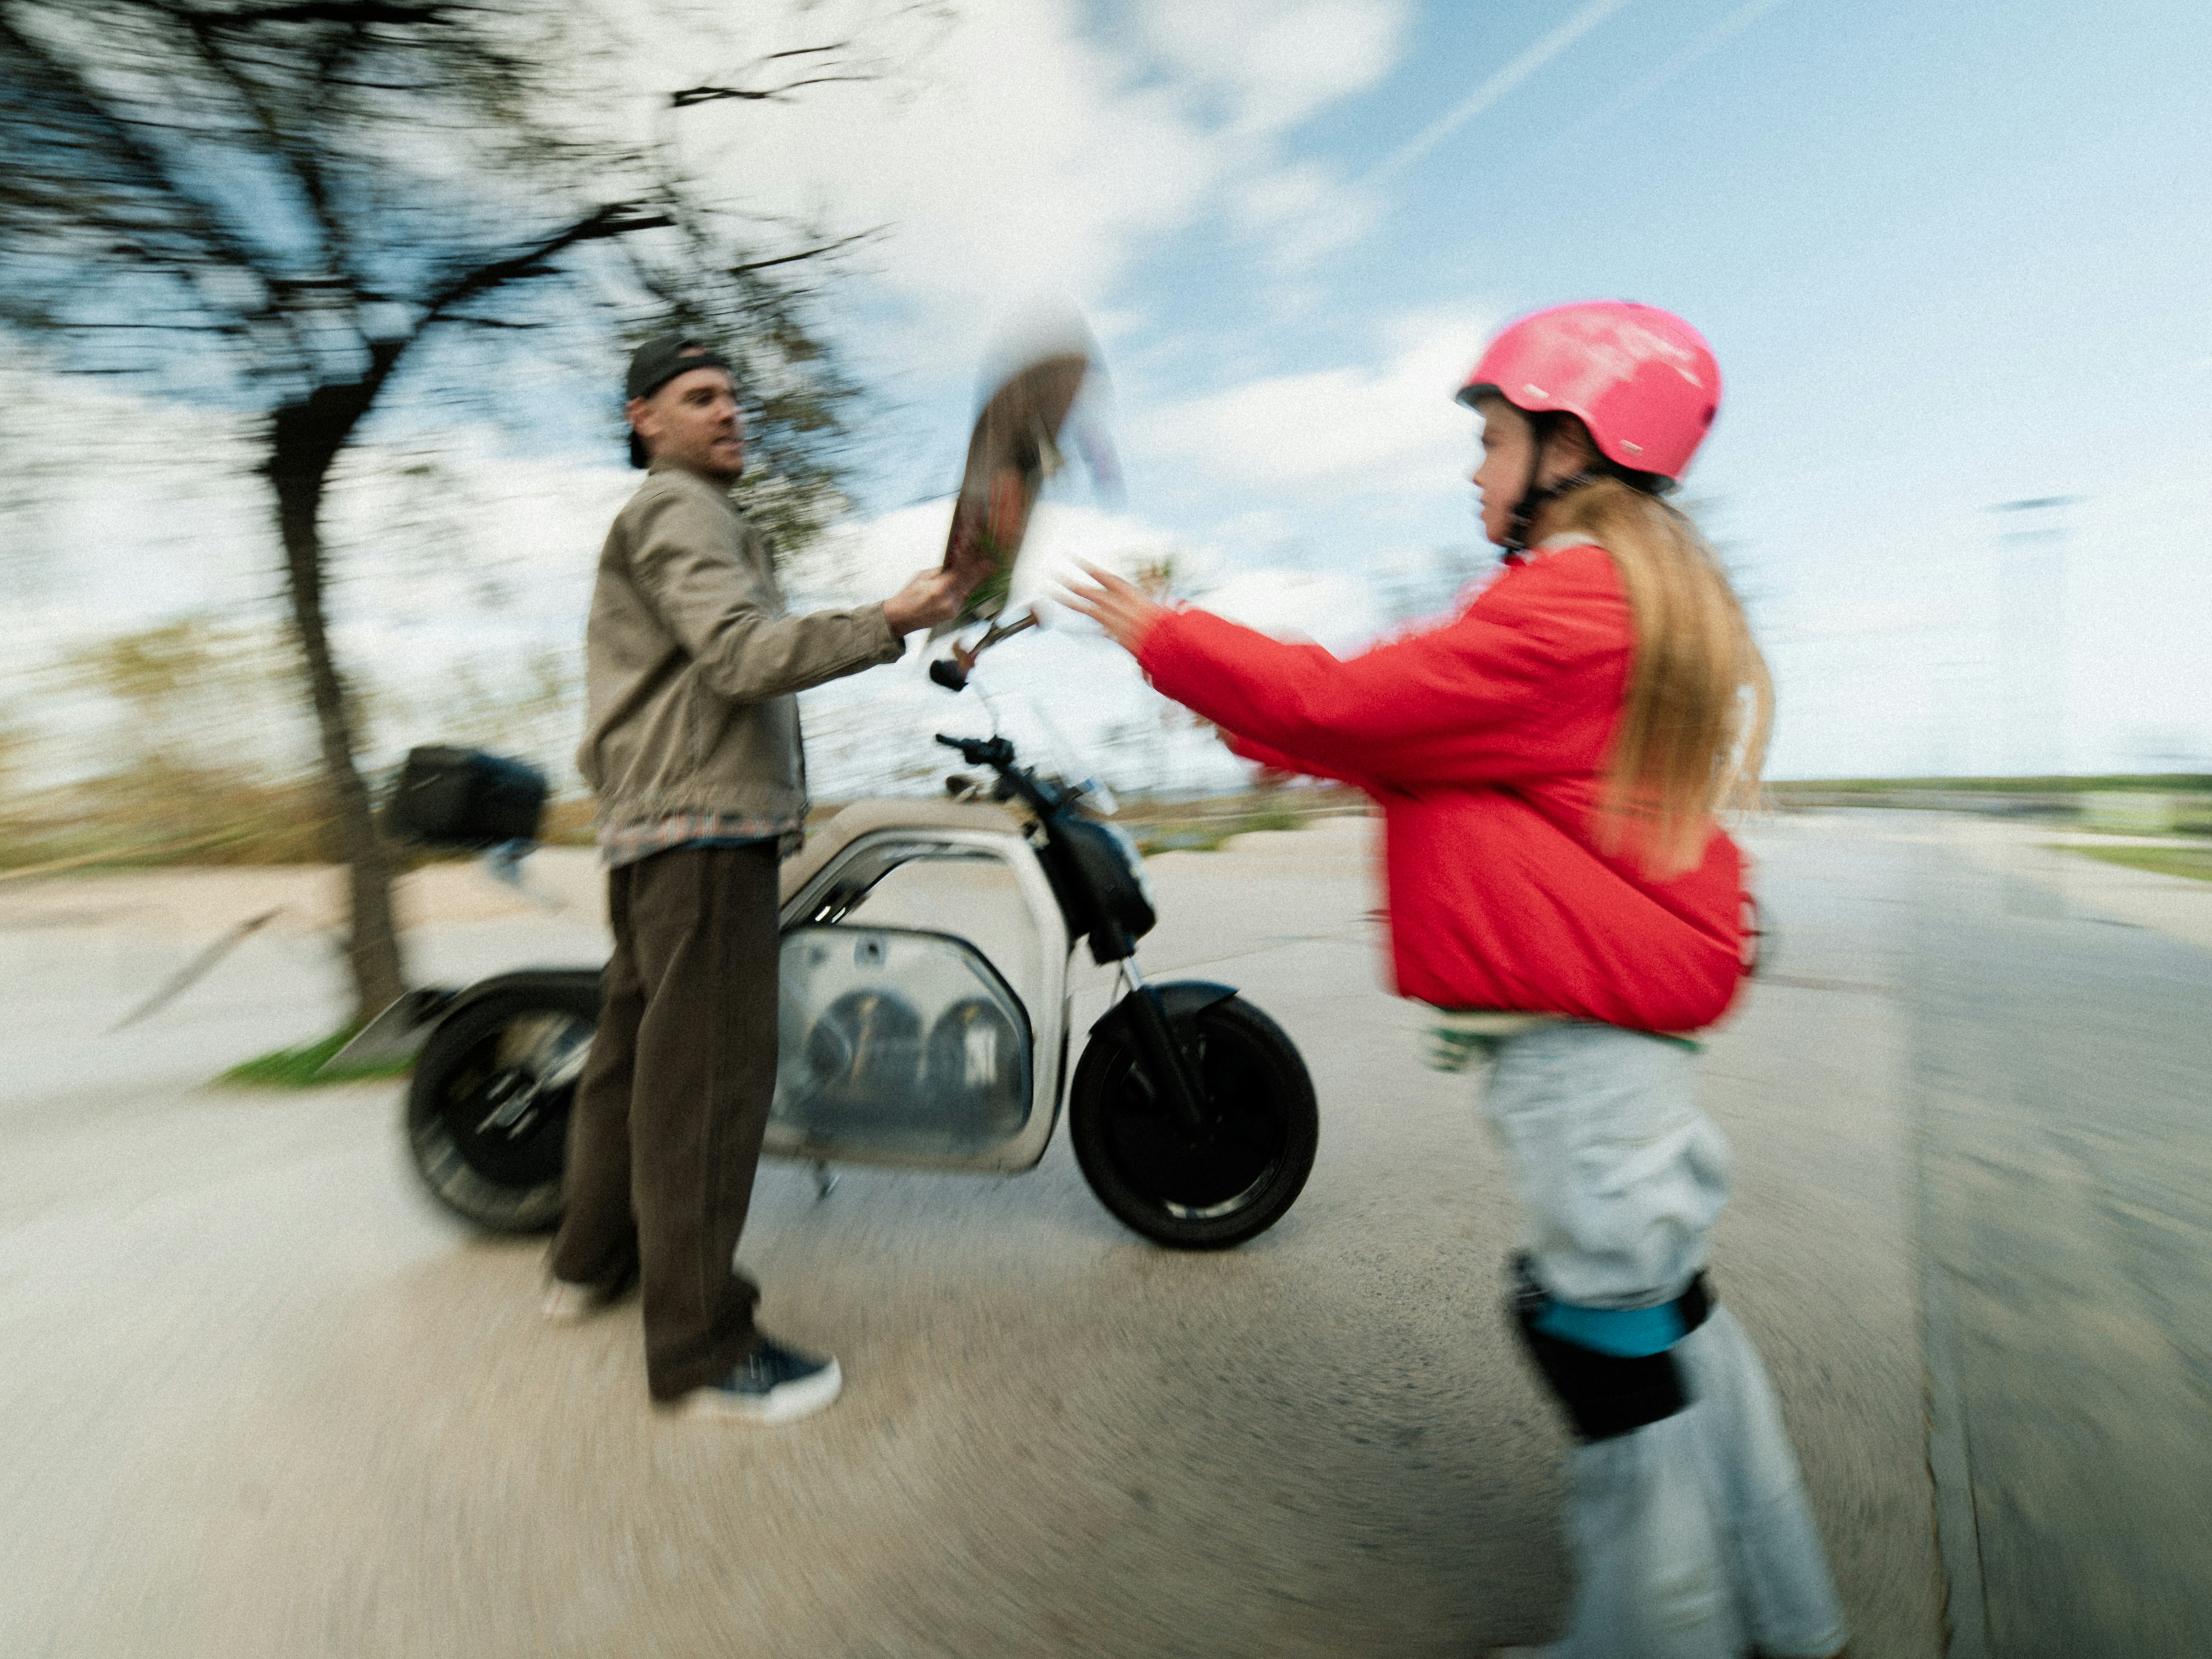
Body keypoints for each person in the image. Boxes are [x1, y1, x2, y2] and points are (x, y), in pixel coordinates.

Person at [1061, 302, 1849, 1657]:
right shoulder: (1618, 597)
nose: (1474, 468)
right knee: (1667, 1317)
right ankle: (1790, 1613)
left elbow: (1353, 705)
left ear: (1571, 442)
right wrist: (1270, 720)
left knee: (1603, 1341)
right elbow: (1409, 742)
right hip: (1604, 1035)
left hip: (1582, 1047)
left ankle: (1659, 1640)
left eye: (1490, 438)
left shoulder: (1573, 599)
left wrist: (1168, 638)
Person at [548, 334, 969, 1424]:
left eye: (734, 395)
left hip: (659, 826)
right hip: (704, 833)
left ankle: (588, 1262)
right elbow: (739, 656)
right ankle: (697, 1343)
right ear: (644, 417)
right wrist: (891, 621)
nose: (731, 411)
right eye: (701, 397)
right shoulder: (679, 508)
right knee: (705, 1085)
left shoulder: (677, 517)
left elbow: (714, 660)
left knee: (633, 1062)